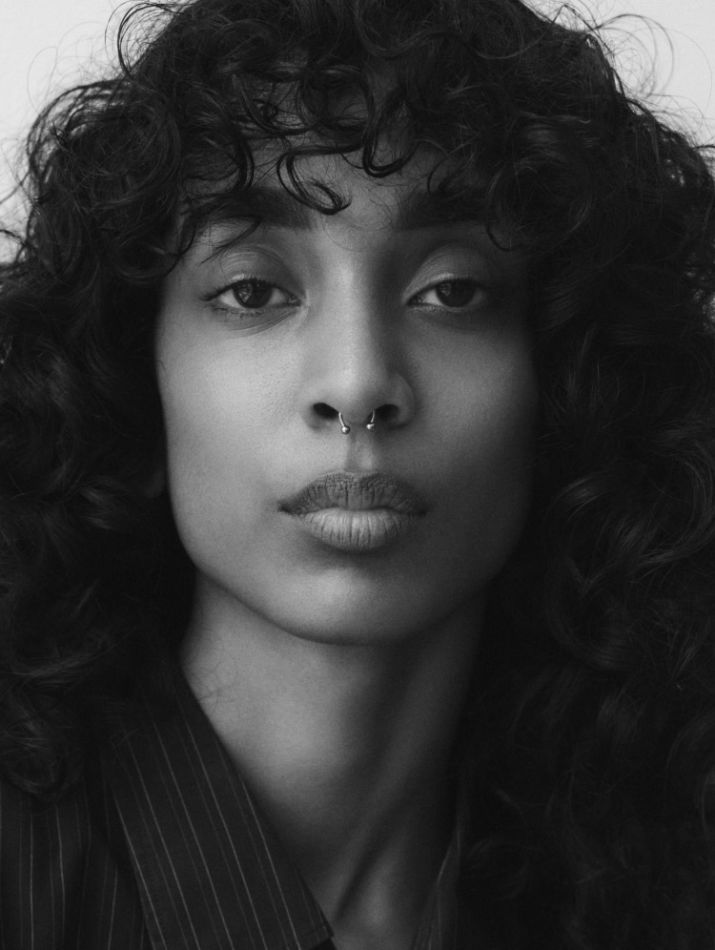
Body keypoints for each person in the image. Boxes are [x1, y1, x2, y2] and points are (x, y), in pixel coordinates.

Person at [1, 0, 715, 946]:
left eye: (452, 291)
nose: (357, 383)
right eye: (252, 290)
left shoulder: (657, 893)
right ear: (136, 374)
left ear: (569, 380)